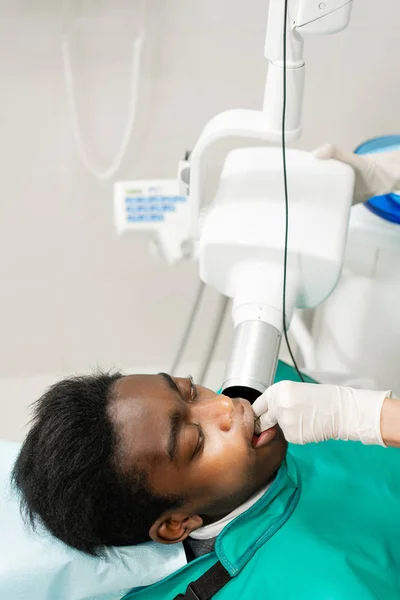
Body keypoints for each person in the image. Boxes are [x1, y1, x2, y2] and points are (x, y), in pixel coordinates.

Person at [11, 370, 400, 599]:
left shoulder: (279, 390)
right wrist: (370, 416)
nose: (228, 406)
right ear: (176, 525)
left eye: (191, 391)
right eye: (195, 441)